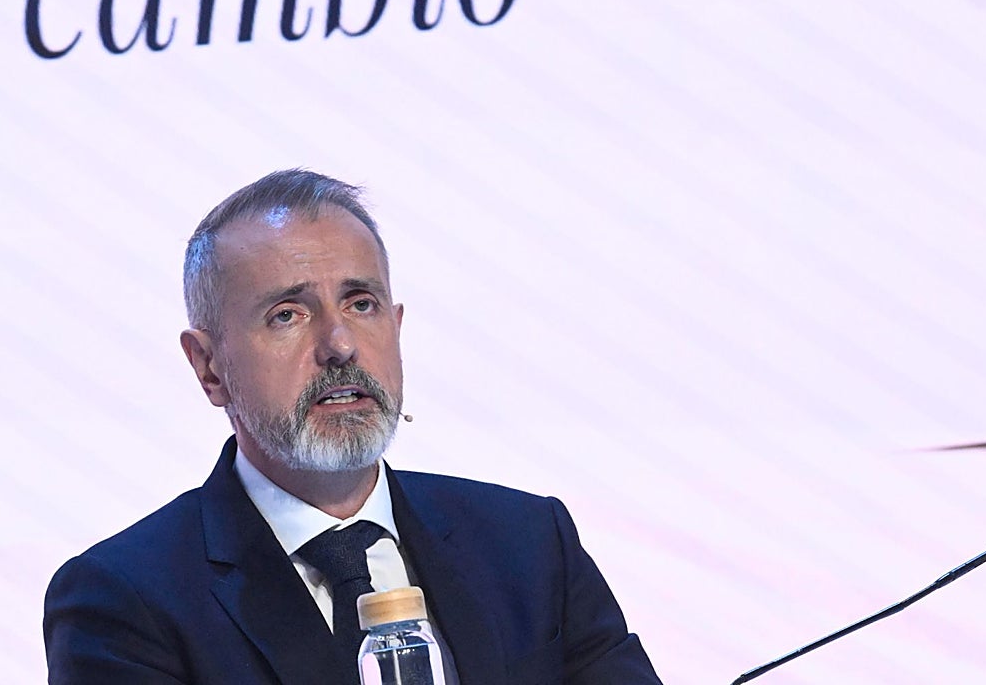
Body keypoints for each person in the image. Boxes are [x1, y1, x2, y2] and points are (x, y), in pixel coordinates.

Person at [44, 169, 663, 685]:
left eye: (361, 304)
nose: (339, 345)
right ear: (209, 367)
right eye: (287, 314)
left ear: (396, 325)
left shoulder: (529, 543)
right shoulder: (124, 601)